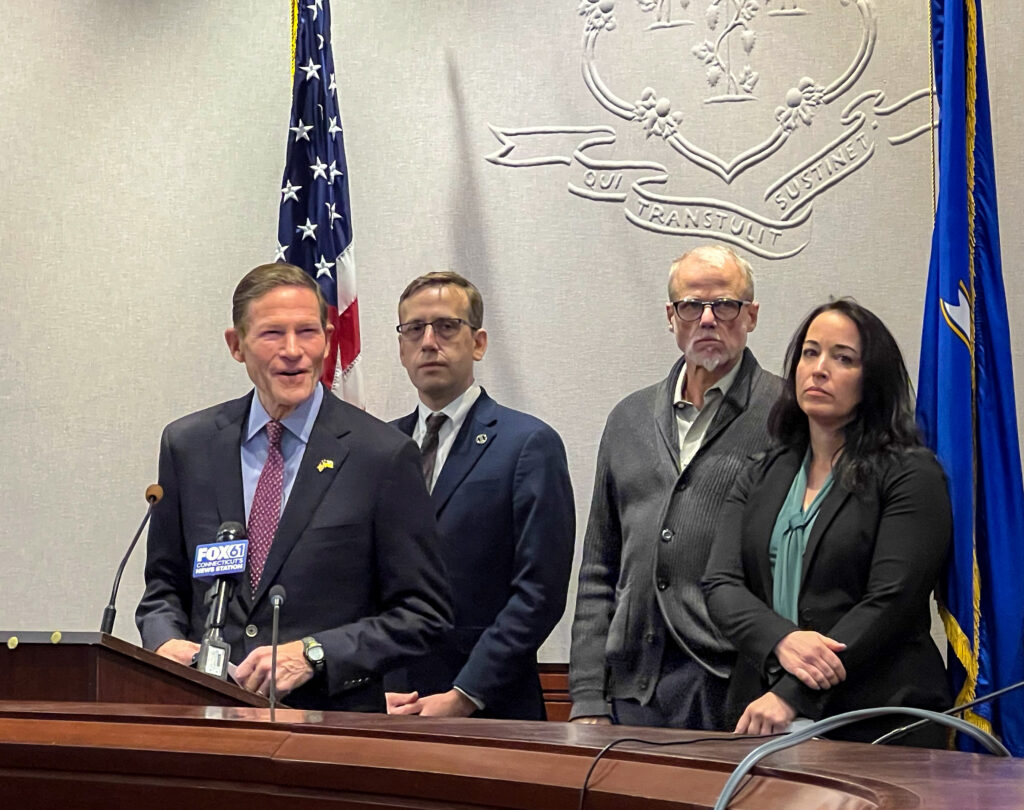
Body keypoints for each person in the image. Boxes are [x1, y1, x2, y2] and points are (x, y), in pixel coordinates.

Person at [136, 262, 452, 712]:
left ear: (327, 338)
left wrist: (314, 654)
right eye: (271, 334)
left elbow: (424, 614)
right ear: (236, 345)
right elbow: (164, 586)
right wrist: (165, 642)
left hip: (328, 728)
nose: (293, 351)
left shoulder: (381, 455)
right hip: (205, 720)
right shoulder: (189, 446)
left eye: (308, 332)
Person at [702, 299, 952, 745]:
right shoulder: (762, 471)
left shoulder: (911, 473)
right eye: (810, 352)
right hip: (759, 711)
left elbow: (890, 603)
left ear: (872, 379)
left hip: (880, 717)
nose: (819, 369)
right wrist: (781, 640)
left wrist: (792, 694)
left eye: (843, 358)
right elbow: (721, 584)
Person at [569, 245, 781, 728]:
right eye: (691, 305)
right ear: (671, 317)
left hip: (733, 685)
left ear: (751, 316)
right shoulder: (629, 418)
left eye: (724, 305)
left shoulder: (785, 413)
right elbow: (599, 565)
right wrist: (586, 696)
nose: (707, 319)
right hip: (632, 690)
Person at [385, 271, 575, 719]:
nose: (429, 341)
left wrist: (466, 693)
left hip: (491, 708)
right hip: (391, 706)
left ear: (479, 342)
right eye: (414, 329)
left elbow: (540, 591)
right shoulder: (380, 448)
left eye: (447, 326)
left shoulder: (528, 444)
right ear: (401, 346)